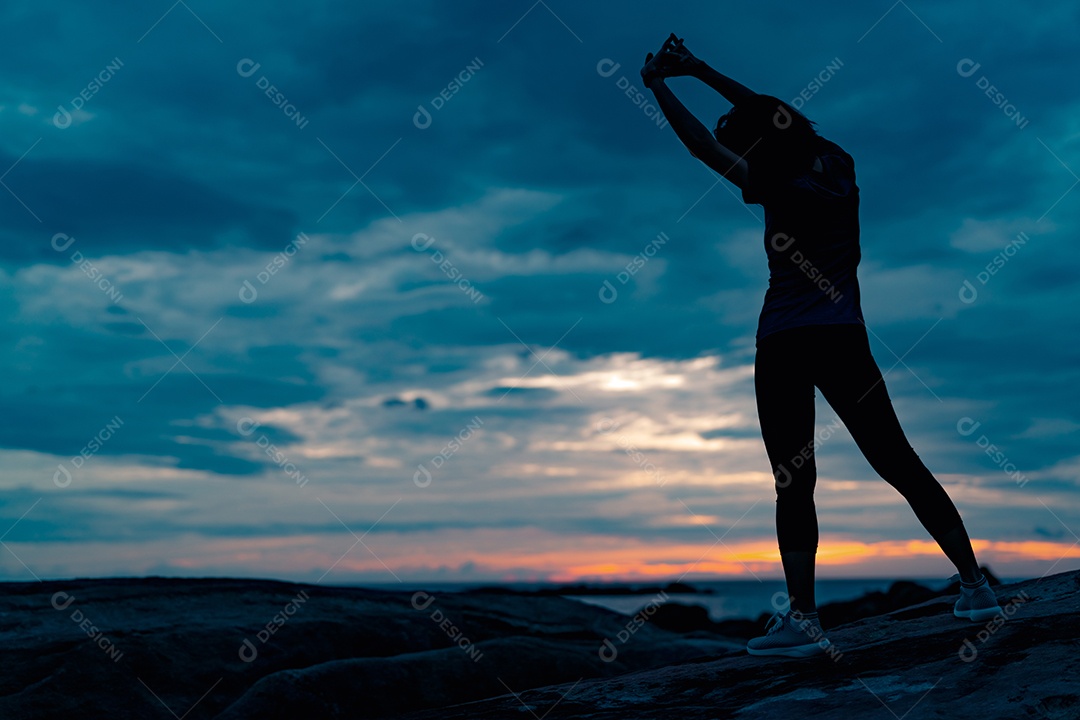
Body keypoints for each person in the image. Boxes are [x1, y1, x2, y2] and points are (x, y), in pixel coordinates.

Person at [639, 35, 1002, 658]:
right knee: (898, 460)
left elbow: (702, 144)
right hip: (845, 338)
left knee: (793, 481)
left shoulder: (771, 183)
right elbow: (768, 109)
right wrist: (699, 67)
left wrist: (660, 86)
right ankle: (975, 586)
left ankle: (805, 622)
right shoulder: (839, 164)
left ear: (757, 142)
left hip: (785, 342)